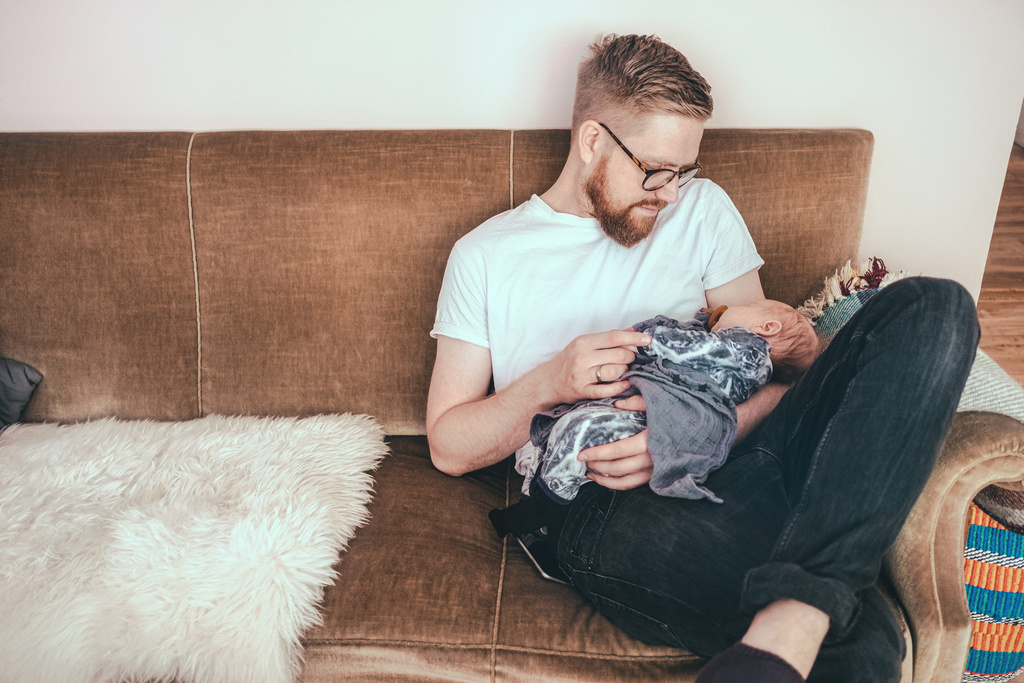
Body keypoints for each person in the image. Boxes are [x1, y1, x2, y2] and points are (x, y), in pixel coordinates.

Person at [426, 33, 979, 683]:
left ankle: (802, 601)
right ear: (593, 142)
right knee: (859, 635)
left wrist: (757, 389)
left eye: (684, 171)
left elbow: (766, 378)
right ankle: (814, 599)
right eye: (655, 171)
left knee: (934, 306)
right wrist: (549, 381)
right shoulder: (488, 257)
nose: (670, 195)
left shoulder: (705, 211)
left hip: (747, 457)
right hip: (615, 505)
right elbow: (448, 445)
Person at [523, 300, 818, 506]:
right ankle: (545, 493)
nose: (726, 310)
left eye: (750, 306)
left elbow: (692, 349)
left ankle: (546, 502)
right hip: (655, 415)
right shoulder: (745, 359)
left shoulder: (749, 348)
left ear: (767, 326)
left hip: (663, 416)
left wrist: (647, 338)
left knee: (577, 430)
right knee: (575, 432)